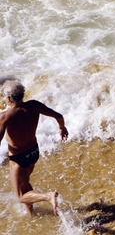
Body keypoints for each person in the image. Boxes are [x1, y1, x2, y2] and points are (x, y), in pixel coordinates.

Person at [0, 81, 66, 217]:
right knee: (25, 185)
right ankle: (31, 214)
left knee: (21, 196)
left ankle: (49, 197)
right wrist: (62, 128)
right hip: (34, 152)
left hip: (19, 158)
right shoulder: (34, 105)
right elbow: (59, 116)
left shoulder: (5, 116)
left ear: (8, 98)